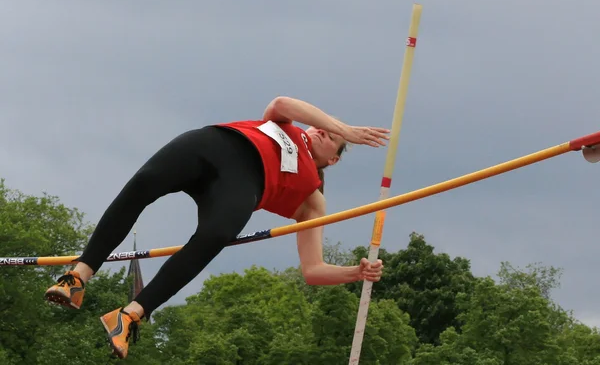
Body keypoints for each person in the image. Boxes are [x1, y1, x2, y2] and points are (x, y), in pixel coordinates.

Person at [44, 96, 389, 359]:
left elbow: (313, 270)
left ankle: (130, 315)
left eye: (331, 137)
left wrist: (354, 272)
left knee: (215, 236)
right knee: (144, 182)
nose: (322, 130)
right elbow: (283, 103)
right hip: (216, 144)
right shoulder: (284, 125)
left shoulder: (313, 197)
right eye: (322, 126)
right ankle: (77, 278)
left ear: (334, 160)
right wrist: (345, 129)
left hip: (244, 181)